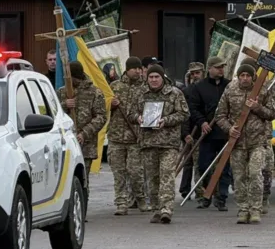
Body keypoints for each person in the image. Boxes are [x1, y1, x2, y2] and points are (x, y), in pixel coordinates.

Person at [214, 63, 275, 225]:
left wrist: (257, 107)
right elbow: (220, 115)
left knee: (255, 173)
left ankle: (255, 208)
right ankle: (243, 209)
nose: (244, 79)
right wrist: (229, 129)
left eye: (247, 76)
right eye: (241, 75)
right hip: (237, 143)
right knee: (239, 177)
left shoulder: (263, 88)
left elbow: (272, 113)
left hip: (258, 141)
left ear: (253, 77)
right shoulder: (230, 89)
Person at [134, 64, 189, 224]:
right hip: (148, 143)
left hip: (168, 143)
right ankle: (156, 208)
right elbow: (131, 112)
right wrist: (138, 118)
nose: (154, 80)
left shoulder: (174, 93)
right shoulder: (141, 94)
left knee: (166, 175)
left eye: (156, 77)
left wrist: (167, 120)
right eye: (151, 77)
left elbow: (184, 113)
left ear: (162, 77)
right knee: (152, 178)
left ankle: (166, 209)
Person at [188, 56, 231, 211]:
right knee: (203, 165)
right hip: (207, 134)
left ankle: (222, 198)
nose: (221, 70)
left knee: (224, 167)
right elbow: (193, 108)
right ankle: (208, 194)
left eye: (222, 67)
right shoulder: (199, 87)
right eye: (218, 67)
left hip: (225, 133)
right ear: (210, 69)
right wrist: (202, 122)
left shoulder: (229, 86)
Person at [64, 61, 108, 208]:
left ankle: (81, 209)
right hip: (64, 144)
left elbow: (101, 117)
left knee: (82, 179)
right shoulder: (61, 92)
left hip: (86, 144)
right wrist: (65, 105)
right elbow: (50, 113)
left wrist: (84, 134)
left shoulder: (95, 93)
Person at [108, 57, 146, 216]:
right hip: (116, 136)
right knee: (119, 172)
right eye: (134, 68)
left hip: (135, 137)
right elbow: (102, 107)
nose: (137, 71)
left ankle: (141, 199)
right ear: (127, 69)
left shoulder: (145, 88)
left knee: (135, 171)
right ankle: (121, 203)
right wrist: (111, 104)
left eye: (139, 68)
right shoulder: (115, 86)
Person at [178, 62, 206, 199]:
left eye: (198, 73)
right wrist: (185, 134)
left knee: (199, 162)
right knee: (187, 161)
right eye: (193, 74)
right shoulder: (186, 92)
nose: (195, 76)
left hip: (203, 131)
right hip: (189, 130)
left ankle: (200, 190)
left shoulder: (207, 89)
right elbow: (183, 115)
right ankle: (185, 189)